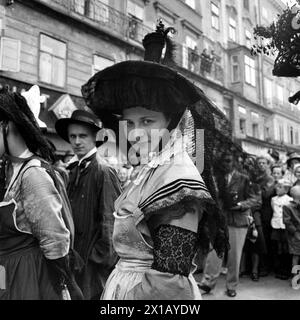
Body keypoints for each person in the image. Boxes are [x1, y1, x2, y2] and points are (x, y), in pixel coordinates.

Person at [81, 22, 228, 300]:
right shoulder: (150, 168)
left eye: (147, 121)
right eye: (130, 122)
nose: (135, 133)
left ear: (170, 124)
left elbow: (170, 282)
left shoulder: (177, 178)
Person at [0, 89, 81, 300]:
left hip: (27, 277)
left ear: (6, 126)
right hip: (7, 273)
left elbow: (55, 238)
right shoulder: (9, 167)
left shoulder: (32, 174)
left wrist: (61, 286)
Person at [55, 109, 121, 300]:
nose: (76, 141)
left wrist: (94, 261)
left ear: (94, 138)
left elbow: (111, 225)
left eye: (82, 136)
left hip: (92, 270)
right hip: (73, 263)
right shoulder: (73, 170)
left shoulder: (103, 171)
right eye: (72, 136)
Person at [199, 152, 259, 297]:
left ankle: (232, 286)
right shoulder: (215, 179)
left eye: (228, 161)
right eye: (223, 161)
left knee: (234, 256)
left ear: (235, 162)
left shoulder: (244, 179)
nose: (225, 164)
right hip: (220, 221)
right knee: (214, 254)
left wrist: (240, 204)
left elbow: (256, 199)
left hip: (238, 221)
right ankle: (207, 284)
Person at [254, 156, 275, 276]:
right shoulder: (256, 177)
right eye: (259, 163)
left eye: (263, 163)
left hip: (266, 212)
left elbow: (266, 194)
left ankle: (265, 267)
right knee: (258, 239)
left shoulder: (270, 178)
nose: (261, 165)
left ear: (267, 165)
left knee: (265, 239)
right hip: (257, 210)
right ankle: (260, 266)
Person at [270, 179, 293, 279]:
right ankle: (278, 269)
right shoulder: (273, 199)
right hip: (276, 225)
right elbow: (273, 210)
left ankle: (286, 270)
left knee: (285, 248)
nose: (277, 188)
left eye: (280, 187)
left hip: (284, 227)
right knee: (277, 247)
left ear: (286, 189)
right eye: (277, 186)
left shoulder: (289, 200)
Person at [283, 185, 300, 280]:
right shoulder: (287, 207)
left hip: (295, 234)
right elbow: (287, 222)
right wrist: (295, 232)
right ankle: (295, 278)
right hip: (295, 235)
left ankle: (295, 278)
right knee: (296, 256)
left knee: (296, 256)